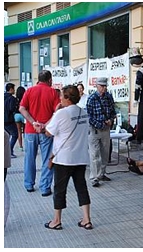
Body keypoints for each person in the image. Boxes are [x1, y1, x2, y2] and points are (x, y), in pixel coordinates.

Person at [44, 85, 91, 230]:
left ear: (67, 98)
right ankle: (86, 219)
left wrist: (55, 112)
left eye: (61, 96)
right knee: (81, 187)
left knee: (60, 189)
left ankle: (56, 220)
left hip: (64, 158)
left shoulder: (61, 113)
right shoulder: (83, 113)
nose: (59, 98)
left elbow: (48, 132)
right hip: (81, 157)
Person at [19, 71, 60, 195]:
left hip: (30, 131)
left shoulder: (29, 91)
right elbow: (57, 111)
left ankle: (29, 184)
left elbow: (22, 108)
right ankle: (45, 187)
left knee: (29, 158)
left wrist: (33, 123)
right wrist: (45, 124)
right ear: (49, 80)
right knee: (47, 158)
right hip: (46, 131)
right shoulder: (53, 92)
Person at [87, 77, 116, 187]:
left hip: (106, 129)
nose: (104, 88)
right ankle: (94, 177)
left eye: (105, 86)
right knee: (94, 154)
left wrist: (111, 120)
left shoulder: (109, 97)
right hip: (95, 129)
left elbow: (113, 111)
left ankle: (102, 173)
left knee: (105, 153)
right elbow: (89, 116)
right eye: (102, 86)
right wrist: (101, 124)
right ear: (97, 86)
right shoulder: (92, 98)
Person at [4, 83, 18, 158]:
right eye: (13, 89)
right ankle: (9, 151)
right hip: (9, 120)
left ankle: (6, 151)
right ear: (11, 89)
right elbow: (11, 109)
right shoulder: (11, 98)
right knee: (15, 134)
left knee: (6, 135)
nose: (14, 90)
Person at [14, 86, 26, 151]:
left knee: (19, 131)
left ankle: (20, 146)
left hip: (16, 115)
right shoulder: (24, 98)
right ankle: (26, 144)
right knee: (25, 131)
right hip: (23, 115)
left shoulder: (15, 99)